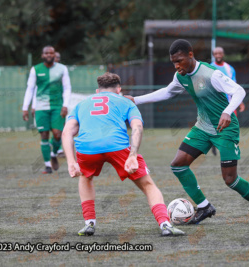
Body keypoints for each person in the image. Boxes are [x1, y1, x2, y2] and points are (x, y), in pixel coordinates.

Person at [125, 39, 249, 224]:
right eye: (174, 62)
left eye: (180, 61)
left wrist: (227, 112)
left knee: (229, 179)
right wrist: (135, 100)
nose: (177, 66)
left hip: (225, 129)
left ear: (191, 55)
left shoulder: (211, 74)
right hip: (203, 127)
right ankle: (204, 207)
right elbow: (168, 92)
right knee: (178, 164)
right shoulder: (181, 76)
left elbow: (239, 91)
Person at [62, 72, 184, 236]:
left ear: (97, 91)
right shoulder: (126, 102)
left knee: (85, 176)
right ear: (119, 89)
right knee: (148, 185)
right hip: (116, 146)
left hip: (87, 148)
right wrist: (132, 155)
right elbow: (137, 127)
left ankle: (89, 223)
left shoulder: (81, 104)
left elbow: (67, 132)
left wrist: (71, 161)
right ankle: (165, 225)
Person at [22, 46, 71, 174]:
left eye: (51, 53)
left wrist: (65, 105)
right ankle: (48, 165)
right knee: (44, 135)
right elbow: (30, 89)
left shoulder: (62, 69)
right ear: (42, 55)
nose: (49, 55)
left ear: (55, 55)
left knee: (57, 134)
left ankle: (54, 153)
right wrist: (25, 107)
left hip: (57, 106)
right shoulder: (36, 69)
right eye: (46, 53)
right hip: (40, 107)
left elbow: (67, 88)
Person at [210, 47, 245, 156]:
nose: (218, 55)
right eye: (216, 53)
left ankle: (229, 146)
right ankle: (214, 143)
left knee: (231, 124)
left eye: (220, 53)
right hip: (215, 102)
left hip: (230, 103)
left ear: (223, 54)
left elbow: (235, 86)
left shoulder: (230, 69)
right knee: (215, 125)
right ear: (213, 55)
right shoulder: (209, 67)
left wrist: (240, 102)